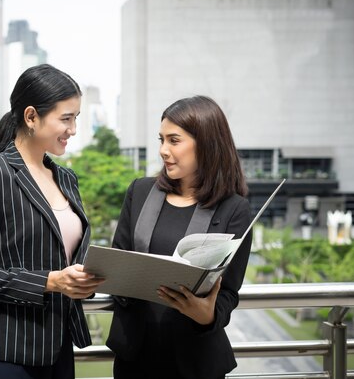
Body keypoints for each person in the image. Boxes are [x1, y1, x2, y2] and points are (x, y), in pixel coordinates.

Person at [0, 64, 103, 379]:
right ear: (31, 116)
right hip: (7, 354)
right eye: (66, 118)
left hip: (60, 347)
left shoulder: (66, 177)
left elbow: (64, 257)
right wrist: (51, 282)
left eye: (76, 118)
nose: (73, 129)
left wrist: (82, 282)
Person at [106, 95, 252, 379]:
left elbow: (228, 293)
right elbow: (118, 260)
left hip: (195, 361)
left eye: (174, 140)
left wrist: (205, 314)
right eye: (161, 139)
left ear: (207, 143)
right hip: (135, 358)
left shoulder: (234, 208)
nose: (162, 150)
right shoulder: (140, 191)